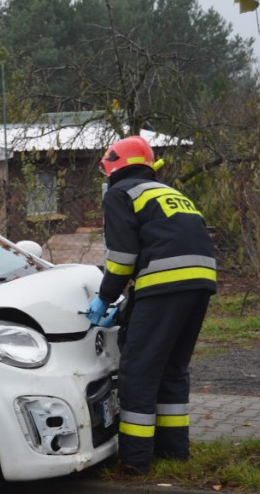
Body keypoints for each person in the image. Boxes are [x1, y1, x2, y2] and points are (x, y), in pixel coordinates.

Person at [85, 135, 216, 474]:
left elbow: (123, 258)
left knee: (139, 371)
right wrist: (131, 300)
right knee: (173, 368)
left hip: (165, 283)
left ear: (113, 166)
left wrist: (104, 297)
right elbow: (164, 243)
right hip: (201, 282)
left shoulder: (119, 193)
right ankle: (174, 454)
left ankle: (135, 461)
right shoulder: (170, 193)